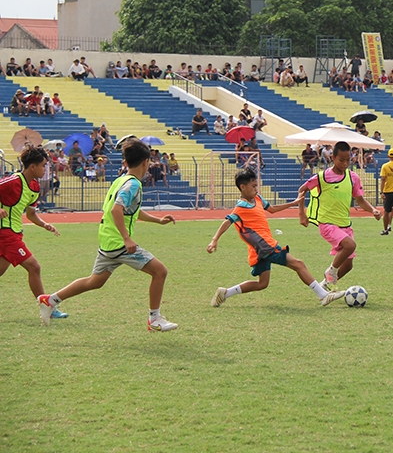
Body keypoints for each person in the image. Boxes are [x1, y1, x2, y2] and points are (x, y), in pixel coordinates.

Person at [37, 139, 179, 331]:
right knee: (160, 271)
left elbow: (131, 211)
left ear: (126, 162)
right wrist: (127, 238)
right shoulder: (133, 185)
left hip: (108, 240)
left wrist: (158, 220)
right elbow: (116, 210)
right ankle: (154, 319)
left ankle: (50, 300)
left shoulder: (121, 180)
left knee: (95, 281)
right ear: (146, 162)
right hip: (119, 243)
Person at [207, 167, 345, 308]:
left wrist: (293, 203)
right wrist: (214, 240)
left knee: (262, 284)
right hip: (265, 246)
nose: (256, 189)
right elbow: (228, 221)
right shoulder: (241, 207)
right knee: (299, 264)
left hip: (259, 250)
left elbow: (272, 209)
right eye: (253, 186)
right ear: (242, 187)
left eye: (257, 185)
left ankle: (225, 293)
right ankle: (323, 296)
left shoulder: (258, 199)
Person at [298, 141, 382, 291]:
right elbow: (302, 190)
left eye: (348, 160)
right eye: (341, 160)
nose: (345, 163)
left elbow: (360, 199)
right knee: (350, 245)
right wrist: (302, 215)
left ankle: (324, 286)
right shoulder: (322, 177)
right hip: (327, 224)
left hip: (345, 225)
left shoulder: (353, 177)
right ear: (333, 158)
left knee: (348, 265)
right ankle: (330, 272)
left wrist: (372, 210)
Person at [0, 145, 67, 322]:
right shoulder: (12, 181)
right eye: (43, 165)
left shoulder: (34, 187)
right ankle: (47, 305)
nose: (45, 169)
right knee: (34, 267)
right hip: (6, 234)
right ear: (32, 167)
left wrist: (45, 225)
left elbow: (31, 214)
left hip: (14, 233)